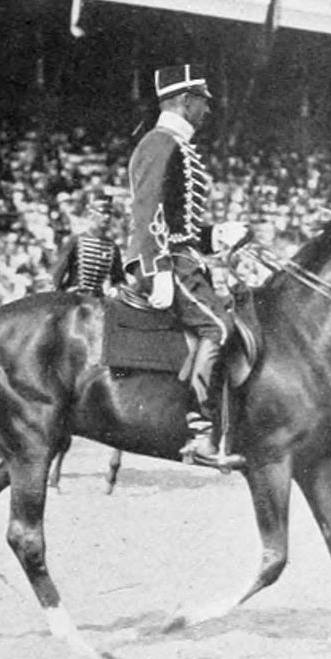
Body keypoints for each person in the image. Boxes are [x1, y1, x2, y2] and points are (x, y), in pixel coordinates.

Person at [124, 64, 236, 467]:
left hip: (182, 256)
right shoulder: (159, 143)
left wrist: (216, 235)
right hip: (169, 262)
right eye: (203, 101)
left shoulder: (175, 143)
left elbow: (179, 223)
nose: (208, 109)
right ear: (185, 101)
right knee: (219, 327)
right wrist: (159, 269)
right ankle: (201, 432)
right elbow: (147, 208)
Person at [51, 195, 125, 295]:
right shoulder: (76, 240)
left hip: (98, 298)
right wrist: (59, 294)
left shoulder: (112, 247)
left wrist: (116, 289)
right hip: (74, 296)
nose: (107, 217)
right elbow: (58, 272)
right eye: (102, 212)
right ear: (90, 215)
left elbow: (119, 279)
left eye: (109, 213)